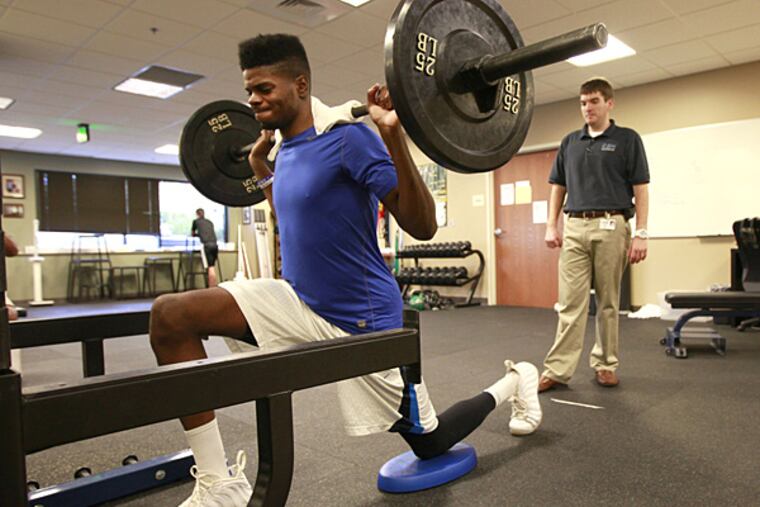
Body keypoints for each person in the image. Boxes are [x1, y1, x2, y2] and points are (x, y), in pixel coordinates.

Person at [150, 34, 542, 507]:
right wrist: (260, 170)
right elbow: (296, 220)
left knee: (430, 441)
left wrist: (392, 133)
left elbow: (421, 225)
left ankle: (514, 380)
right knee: (171, 315)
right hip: (298, 301)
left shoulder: (347, 136)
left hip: (362, 319)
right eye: (249, 90)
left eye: (265, 88)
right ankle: (220, 483)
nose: (253, 100)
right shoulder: (282, 151)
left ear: (299, 85)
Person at [539, 77, 650, 393]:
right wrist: (551, 225)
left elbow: (641, 188)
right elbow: (557, 186)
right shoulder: (570, 142)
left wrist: (641, 232)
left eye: (594, 101)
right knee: (569, 303)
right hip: (574, 226)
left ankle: (605, 364)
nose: (587, 108)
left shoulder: (628, 139)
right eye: (583, 102)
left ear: (609, 103)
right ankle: (558, 370)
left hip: (612, 225)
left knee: (608, 302)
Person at [191, 208, 219, 287]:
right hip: (215, 245)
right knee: (212, 266)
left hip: (207, 245)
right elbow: (210, 233)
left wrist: (198, 235)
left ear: (197, 214)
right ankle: (213, 287)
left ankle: (212, 288)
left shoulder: (196, 222)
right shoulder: (209, 222)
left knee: (210, 268)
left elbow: (193, 234)